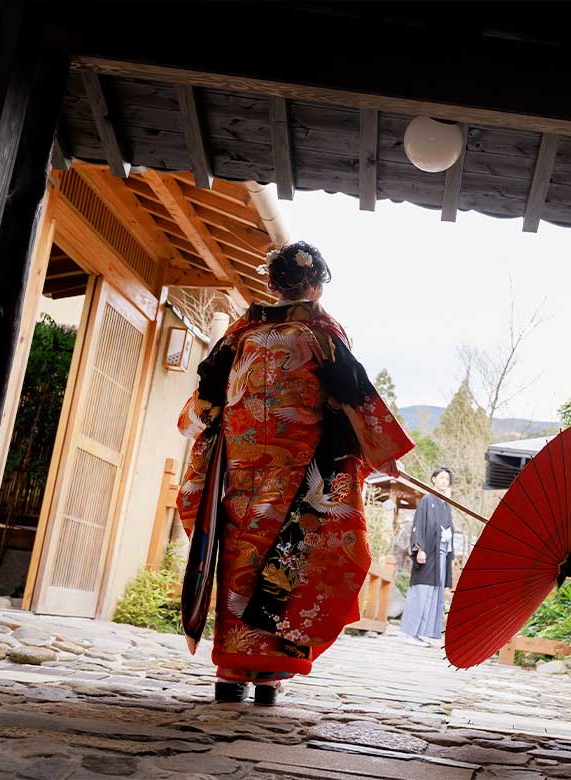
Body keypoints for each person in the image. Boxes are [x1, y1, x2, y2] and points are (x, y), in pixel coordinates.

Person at [176, 241, 413, 706]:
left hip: (241, 470)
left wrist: (214, 426)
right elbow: (353, 391)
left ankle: (230, 668)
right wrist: (381, 450)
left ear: (272, 283)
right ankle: (268, 675)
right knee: (290, 559)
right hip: (297, 469)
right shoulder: (321, 330)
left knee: (239, 557)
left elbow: (208, 397)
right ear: (317, 285)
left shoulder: (241, 331)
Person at [400, 467, 455, 646]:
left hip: (440, 556)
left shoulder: (445, 504)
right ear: (433, 480)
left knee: (433, 593)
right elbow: (419, 525)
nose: (444, 481)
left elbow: (448, 530)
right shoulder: (427, 500)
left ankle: (422, 632)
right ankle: (411, 633)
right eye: (441, 478)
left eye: (447, 479)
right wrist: (420, 548)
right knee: (421, 591)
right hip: (428, 553)